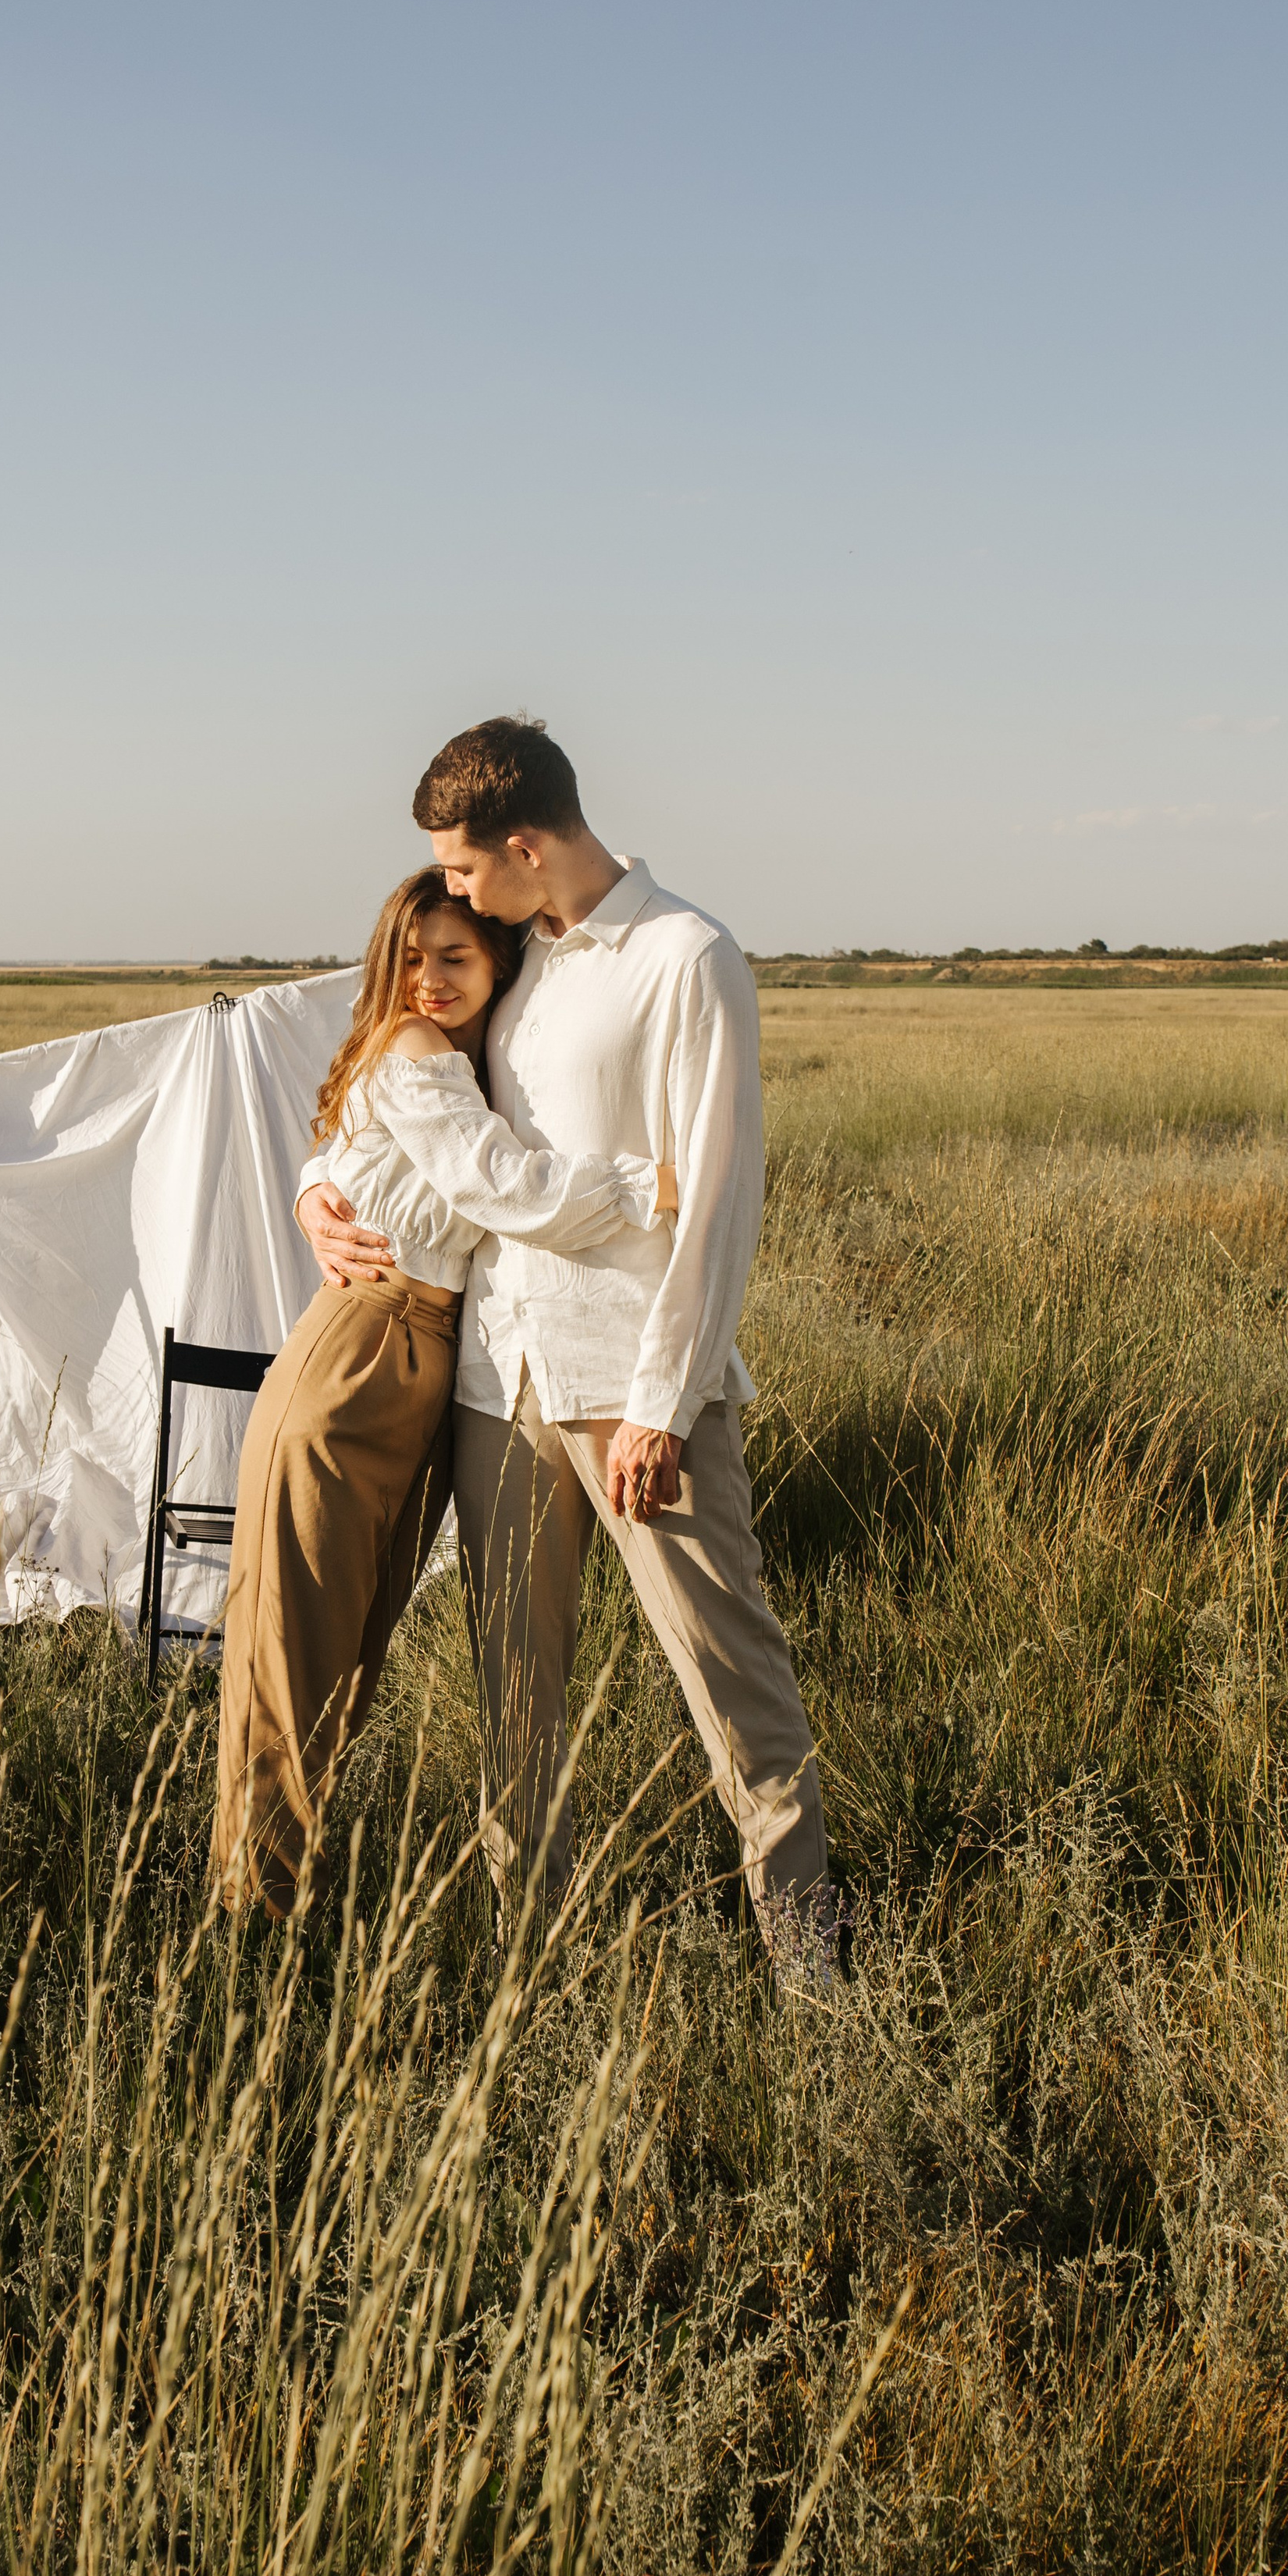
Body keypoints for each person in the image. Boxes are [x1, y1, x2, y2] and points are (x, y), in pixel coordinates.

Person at [297, 717, 842, 1995]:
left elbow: (716, 1199)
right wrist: (320, 1188)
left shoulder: (686, 958)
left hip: (636, 1390)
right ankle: (523, 1971)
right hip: (501, 1387)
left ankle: (816, 1985)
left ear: (527, 844)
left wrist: (661, 1403)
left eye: (468, 866)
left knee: (736, 1692)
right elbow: (411, 1083)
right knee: (515, 1710)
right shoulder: (510, 962)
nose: (455, 890)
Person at [211, 866, 674, 1917]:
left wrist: (314, 1184)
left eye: (454, 956)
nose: (428, 979)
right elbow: (500, 1188)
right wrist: (657, 1183)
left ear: (498, 959)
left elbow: (359, 1151)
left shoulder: (470, 1060)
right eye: (410, 959)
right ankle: (251, 1916)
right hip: (359, 1358)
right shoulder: (420, 1050)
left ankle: (280, 1897)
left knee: (347, 1654)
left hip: (416, 1367)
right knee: (293, 1657)